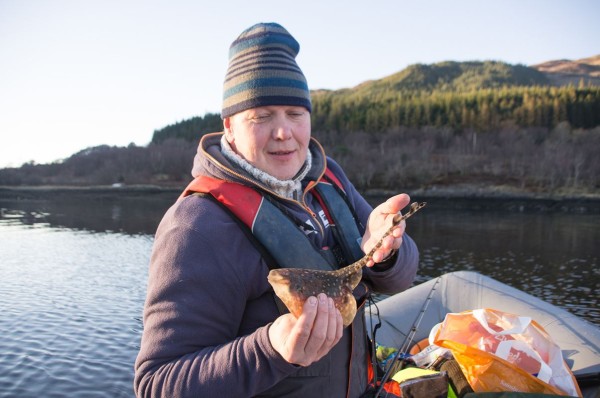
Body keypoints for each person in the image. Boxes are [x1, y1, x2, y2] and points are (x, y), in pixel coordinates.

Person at [134, 22, 419, 397]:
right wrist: (270, 349)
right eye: (261, 116)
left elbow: (400, 278)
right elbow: (158, 384)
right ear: (230, 127)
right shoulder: (196, 226)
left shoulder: (329, 179)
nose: (283, 132)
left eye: (294, 113)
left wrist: (387, 251)